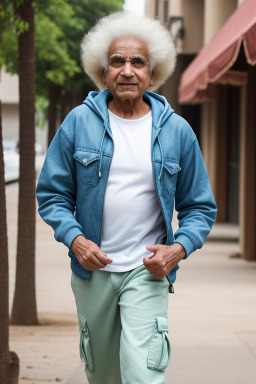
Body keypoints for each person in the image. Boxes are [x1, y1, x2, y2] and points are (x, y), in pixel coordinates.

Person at [36, 11, 217, 384]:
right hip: (92, 272)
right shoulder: (78, 123)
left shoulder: (177, 132)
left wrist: (177, 249)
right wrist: (76, 240)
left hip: (147, 270)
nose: (127, 70)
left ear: (154, 74)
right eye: (117, 61)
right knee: (103, 375)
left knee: (142, 374)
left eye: (138, 62)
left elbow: (200, 207)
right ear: (103, 72)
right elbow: (52, 195)